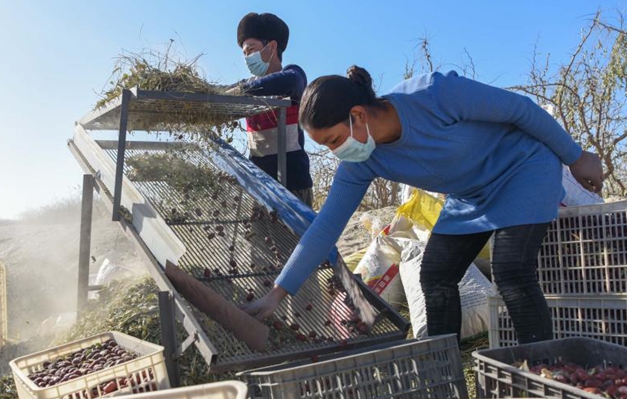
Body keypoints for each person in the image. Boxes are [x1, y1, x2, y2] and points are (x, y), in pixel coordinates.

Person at [242, 66, 604, 344]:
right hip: (470, 196)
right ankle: (445, 378)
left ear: (358, 115)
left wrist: (576, 157)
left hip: (522, 170)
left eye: (335, 140)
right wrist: (277, 294)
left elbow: (520, 110)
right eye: (326, 147)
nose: (336, 152)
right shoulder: (360, 162)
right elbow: (324, 227)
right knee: (435, 274)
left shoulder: (435, 94)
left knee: (511, 271)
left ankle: (539, 376)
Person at [235, 12, 314, 207]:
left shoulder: (293, 76)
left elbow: (289, 81)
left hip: (293, 185)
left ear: (271, 46)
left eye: (251, 50)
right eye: (245, 53)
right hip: (260, 186)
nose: (247, 58)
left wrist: (240, 91)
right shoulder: (248, 84)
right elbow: (229, 93)